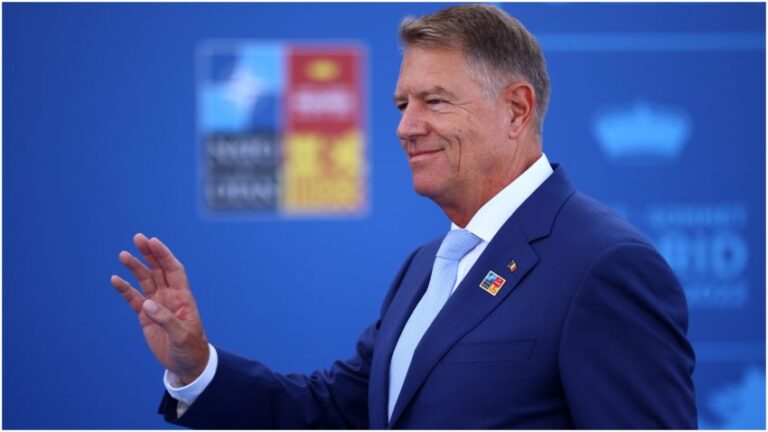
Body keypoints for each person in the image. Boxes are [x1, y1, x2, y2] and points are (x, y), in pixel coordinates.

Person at [111, 4, 697, 429]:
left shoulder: (605, 265)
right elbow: (335, 412)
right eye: (402, 104)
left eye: (434, 101)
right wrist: (196, 365)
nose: (405, 127)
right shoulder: (425, 268)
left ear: (517, 110)